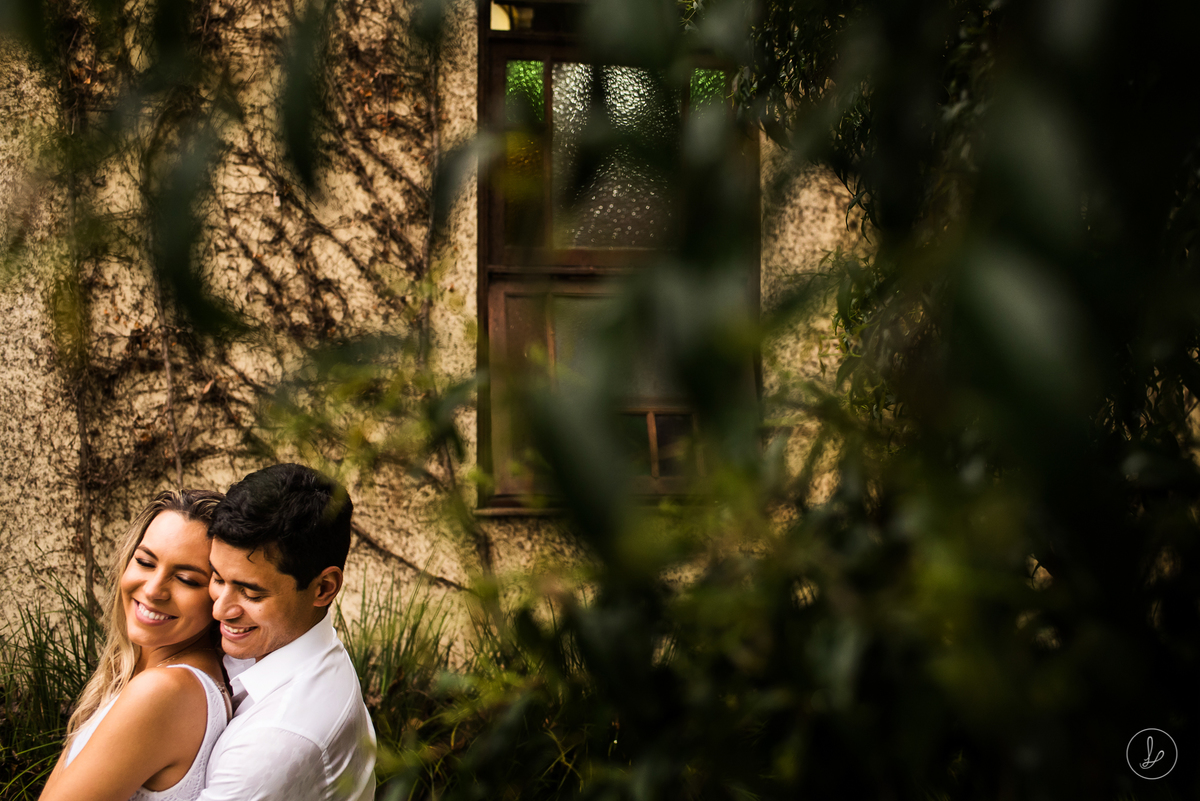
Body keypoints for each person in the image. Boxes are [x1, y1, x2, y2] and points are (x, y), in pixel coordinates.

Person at [199, 463, 375, 801]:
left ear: (323, 588)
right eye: (217, 578)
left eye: (251, 593)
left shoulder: (277, 739)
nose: (220, 610)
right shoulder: (281, 647)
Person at [40, 489, 231, 801]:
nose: (154, 590)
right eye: (145, 562)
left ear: (219, 596)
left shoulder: (163, 690)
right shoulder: (141, 669)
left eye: (187, 579)